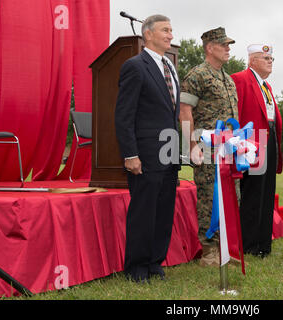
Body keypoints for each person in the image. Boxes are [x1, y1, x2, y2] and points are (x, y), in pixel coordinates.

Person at [115, 14, 180, 283]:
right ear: (148, 34)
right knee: (144, 211)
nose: (170, 35)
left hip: (169, 152)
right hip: (145, 154)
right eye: (165, 30)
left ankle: (155, 262)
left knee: (164, 211)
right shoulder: (135, 66)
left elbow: (172, 113)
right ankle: (137, 267)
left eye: (171, 30)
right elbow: (124, 115)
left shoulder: (171, 67)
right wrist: (130, 154)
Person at [179, 27, 238, 266]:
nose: (228, 48)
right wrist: (191, 144)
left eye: (228, 45)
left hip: (229, 151)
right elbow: (184, 112)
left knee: (229, 198)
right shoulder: (197, 76)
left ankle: (225, 248)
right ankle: (209, 251)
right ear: (209, 48)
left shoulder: (228, 78)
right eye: (223, 45)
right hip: (207, 149)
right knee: (208, 199)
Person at [230, 44, 283, 258]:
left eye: (271, 58)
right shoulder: (240, 79)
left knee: (266, 193)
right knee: (252, 194)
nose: (270, 61)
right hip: (252, 142)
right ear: (252, 61)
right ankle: (249, 245)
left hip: (269, 140)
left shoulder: (266, 86)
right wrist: (238, 142)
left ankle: (263, 244)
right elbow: (236, 112)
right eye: (265, 58)